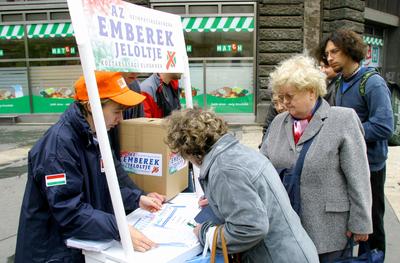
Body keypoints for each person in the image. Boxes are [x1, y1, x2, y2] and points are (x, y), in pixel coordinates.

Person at [15, 72, 166, 263]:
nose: (120, 119)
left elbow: (103, 185)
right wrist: (118, 227)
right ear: (91, 106)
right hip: (52, 253)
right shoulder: (58, 147)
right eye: (117, 111)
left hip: (75, 249)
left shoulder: (94, 135)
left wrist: (137, 198)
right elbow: (69, 211)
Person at [164, 108, 319, 263]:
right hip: (289, 251)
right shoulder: (235, 152)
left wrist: (205, 234)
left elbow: (250, 228)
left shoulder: (224, 168)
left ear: (189, 150)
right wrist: (218, 199)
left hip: (277, 256)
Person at [260, 54, 372, 262]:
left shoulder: (343, 119)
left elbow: (358, 176)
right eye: (281, 96)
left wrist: (361, 222)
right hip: (287, 229)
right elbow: (260, 169)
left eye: (289, 96)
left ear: (311, 92)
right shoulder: (278, 122)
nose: (284, 103)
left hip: (329, 230)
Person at [316, 29, 394, 255]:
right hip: (345, 164)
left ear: (351, 51)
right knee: (351, 220)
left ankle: (373, 258)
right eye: (327, 53)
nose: (329, 58)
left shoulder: (372, 83)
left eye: (335, 52)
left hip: (370, 166)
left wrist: (348, 134)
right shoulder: (340, 82)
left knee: (371, 222)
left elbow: (385, 126)